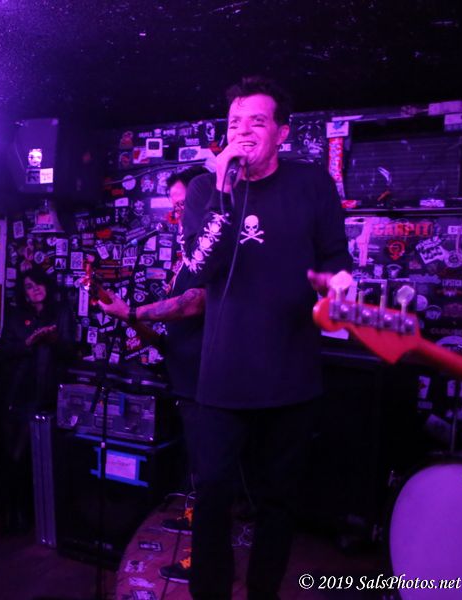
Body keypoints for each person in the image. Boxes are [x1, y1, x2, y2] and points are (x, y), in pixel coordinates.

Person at [179, 76, 351, 599]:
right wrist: (224, 191)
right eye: (235, 122)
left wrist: (339, 284)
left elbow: (335, 256)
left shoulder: (312, 183)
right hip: (222, 377)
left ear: (282, 132)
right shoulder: (207, 189)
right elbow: (199, 268)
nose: (244, 131)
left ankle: (262, 592)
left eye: (257, 121)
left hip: (290, 374)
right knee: (212, 493)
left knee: (278, 500)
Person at [98, 165, 208, 581]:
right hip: (183, 377)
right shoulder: (187, 257)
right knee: (195, 465)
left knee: (208, 470)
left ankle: (204, 562)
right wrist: (128, 320)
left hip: (205, 382)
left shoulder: (210, 256)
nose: (176, 214)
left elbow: (194, 303)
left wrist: (133, 311)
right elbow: (173, 334)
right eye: (174, 206)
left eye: (183, 205)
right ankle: (194, 524)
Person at [0, 266, 75, 534]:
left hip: (47, 396)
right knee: (14, 456)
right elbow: (3, 351)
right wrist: (28, 343)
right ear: (24, 293)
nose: (35, 289)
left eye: (39, 284)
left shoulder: (61, 312)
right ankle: (13, 515)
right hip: (16, 393)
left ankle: (35, 517)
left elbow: (70, 353)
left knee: (40, 459)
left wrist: (54, 341)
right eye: (29, 287)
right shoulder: (17, 316)